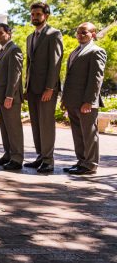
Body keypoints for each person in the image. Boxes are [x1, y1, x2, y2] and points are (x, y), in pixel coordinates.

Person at [61, 22, 107, 176]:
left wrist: (89, 101)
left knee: (89, 134)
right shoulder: (75, 51)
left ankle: (90, 164)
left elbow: (96, 79)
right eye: (78, 32)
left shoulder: (96, 51)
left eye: (84, 32)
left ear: (93, 34)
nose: (80, 35)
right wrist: (64, 100)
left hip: (86, 102)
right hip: (72, 101)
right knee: (78, 133)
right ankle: (81, 161)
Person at [24, 2, 63, 174]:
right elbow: (29, 64)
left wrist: (50, 88)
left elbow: (55, 63)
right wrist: (26, 87)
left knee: (46, 124)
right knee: (36, 124)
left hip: (46, 89)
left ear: (46, 15)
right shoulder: (30, 37)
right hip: (32, 88)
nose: (34, 17)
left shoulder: (54, 34)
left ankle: (48, 161)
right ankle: (40, 156)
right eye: (32, 14)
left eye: (38, 14)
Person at [0, 23, 25, 171]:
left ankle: (17, 158)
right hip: (0, 98)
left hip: (9, 98)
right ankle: (8, 155)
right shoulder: (3, 50)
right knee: (5, 128)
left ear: (9, 33)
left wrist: (9, 96)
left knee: (13, 128)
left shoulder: (14, 50)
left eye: (0, 33)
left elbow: (15, 76)